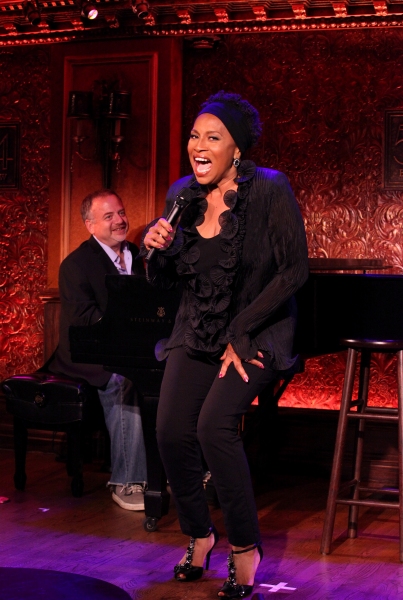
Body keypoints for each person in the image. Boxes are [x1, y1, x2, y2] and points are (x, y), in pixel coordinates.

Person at [142, 91, 309, 598]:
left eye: (213, 137)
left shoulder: (270, 190)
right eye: (194, 135)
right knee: (171, 431)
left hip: (257, 330)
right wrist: (155, 253)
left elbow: (293, 271)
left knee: (215, 428)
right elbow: (166, 284)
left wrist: (242, 330)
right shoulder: (182, 195)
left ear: (236, 149)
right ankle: (198, 533)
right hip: (196, 330)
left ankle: (245, 547)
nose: (198, 144)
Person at [49, 189, 147, 511]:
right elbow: (84, 320)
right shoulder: (75, 265)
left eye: (121, 212)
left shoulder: (138, 255)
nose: (120, 221)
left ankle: (181, 470)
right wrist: (129, 329)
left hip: (133, 348)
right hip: (88, 355)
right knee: (123, 379)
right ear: (90, 225)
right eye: (109, 216)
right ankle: (127, 481)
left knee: (178, 372)